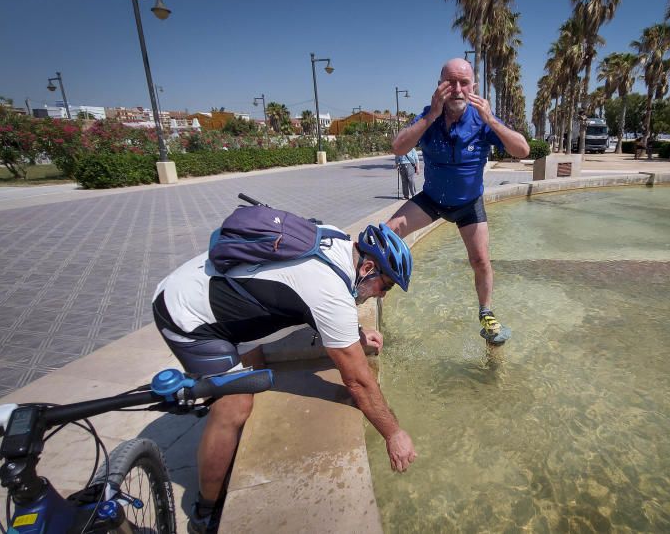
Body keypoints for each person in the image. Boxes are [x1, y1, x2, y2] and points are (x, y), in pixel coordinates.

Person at [152, 223, 416, 533]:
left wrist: (355, 335)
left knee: (254, 364)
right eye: (384, 286)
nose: (381, 296)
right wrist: (393, 433)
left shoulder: (336, 239)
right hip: (185, 314)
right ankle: (205, 510)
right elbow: (357, 382)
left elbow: (303, 291)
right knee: (234, 405)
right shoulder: (331, 293)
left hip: (198, 282)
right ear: (368, 267)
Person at [387, 57, 530, 344]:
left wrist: (490, 119)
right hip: (433, 200)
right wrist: (430, 116)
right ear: (439, 86)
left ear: (473, 87)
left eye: (464, 83)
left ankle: (486, 312)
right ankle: (372, 287)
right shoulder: (429, 116)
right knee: (388, 233)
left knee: (480, 260)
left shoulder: (481, 118)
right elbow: (399, 147)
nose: (457, 88)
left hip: (468, 205)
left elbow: (523, 150)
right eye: (449, 82)